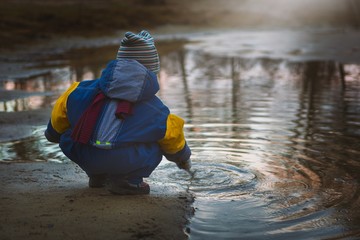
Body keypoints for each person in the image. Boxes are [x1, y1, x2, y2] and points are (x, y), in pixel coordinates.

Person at [44, 30, 191, 195]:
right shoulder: (156, 110)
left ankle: (97, 175)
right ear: (151, 74)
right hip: (123, 160)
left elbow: (56, 129)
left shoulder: (77, 90)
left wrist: (54, 135)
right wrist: (183, 159)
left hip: (83, 154)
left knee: (73, 134)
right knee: (158, 143)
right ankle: (128, 181)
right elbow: (174, 141)